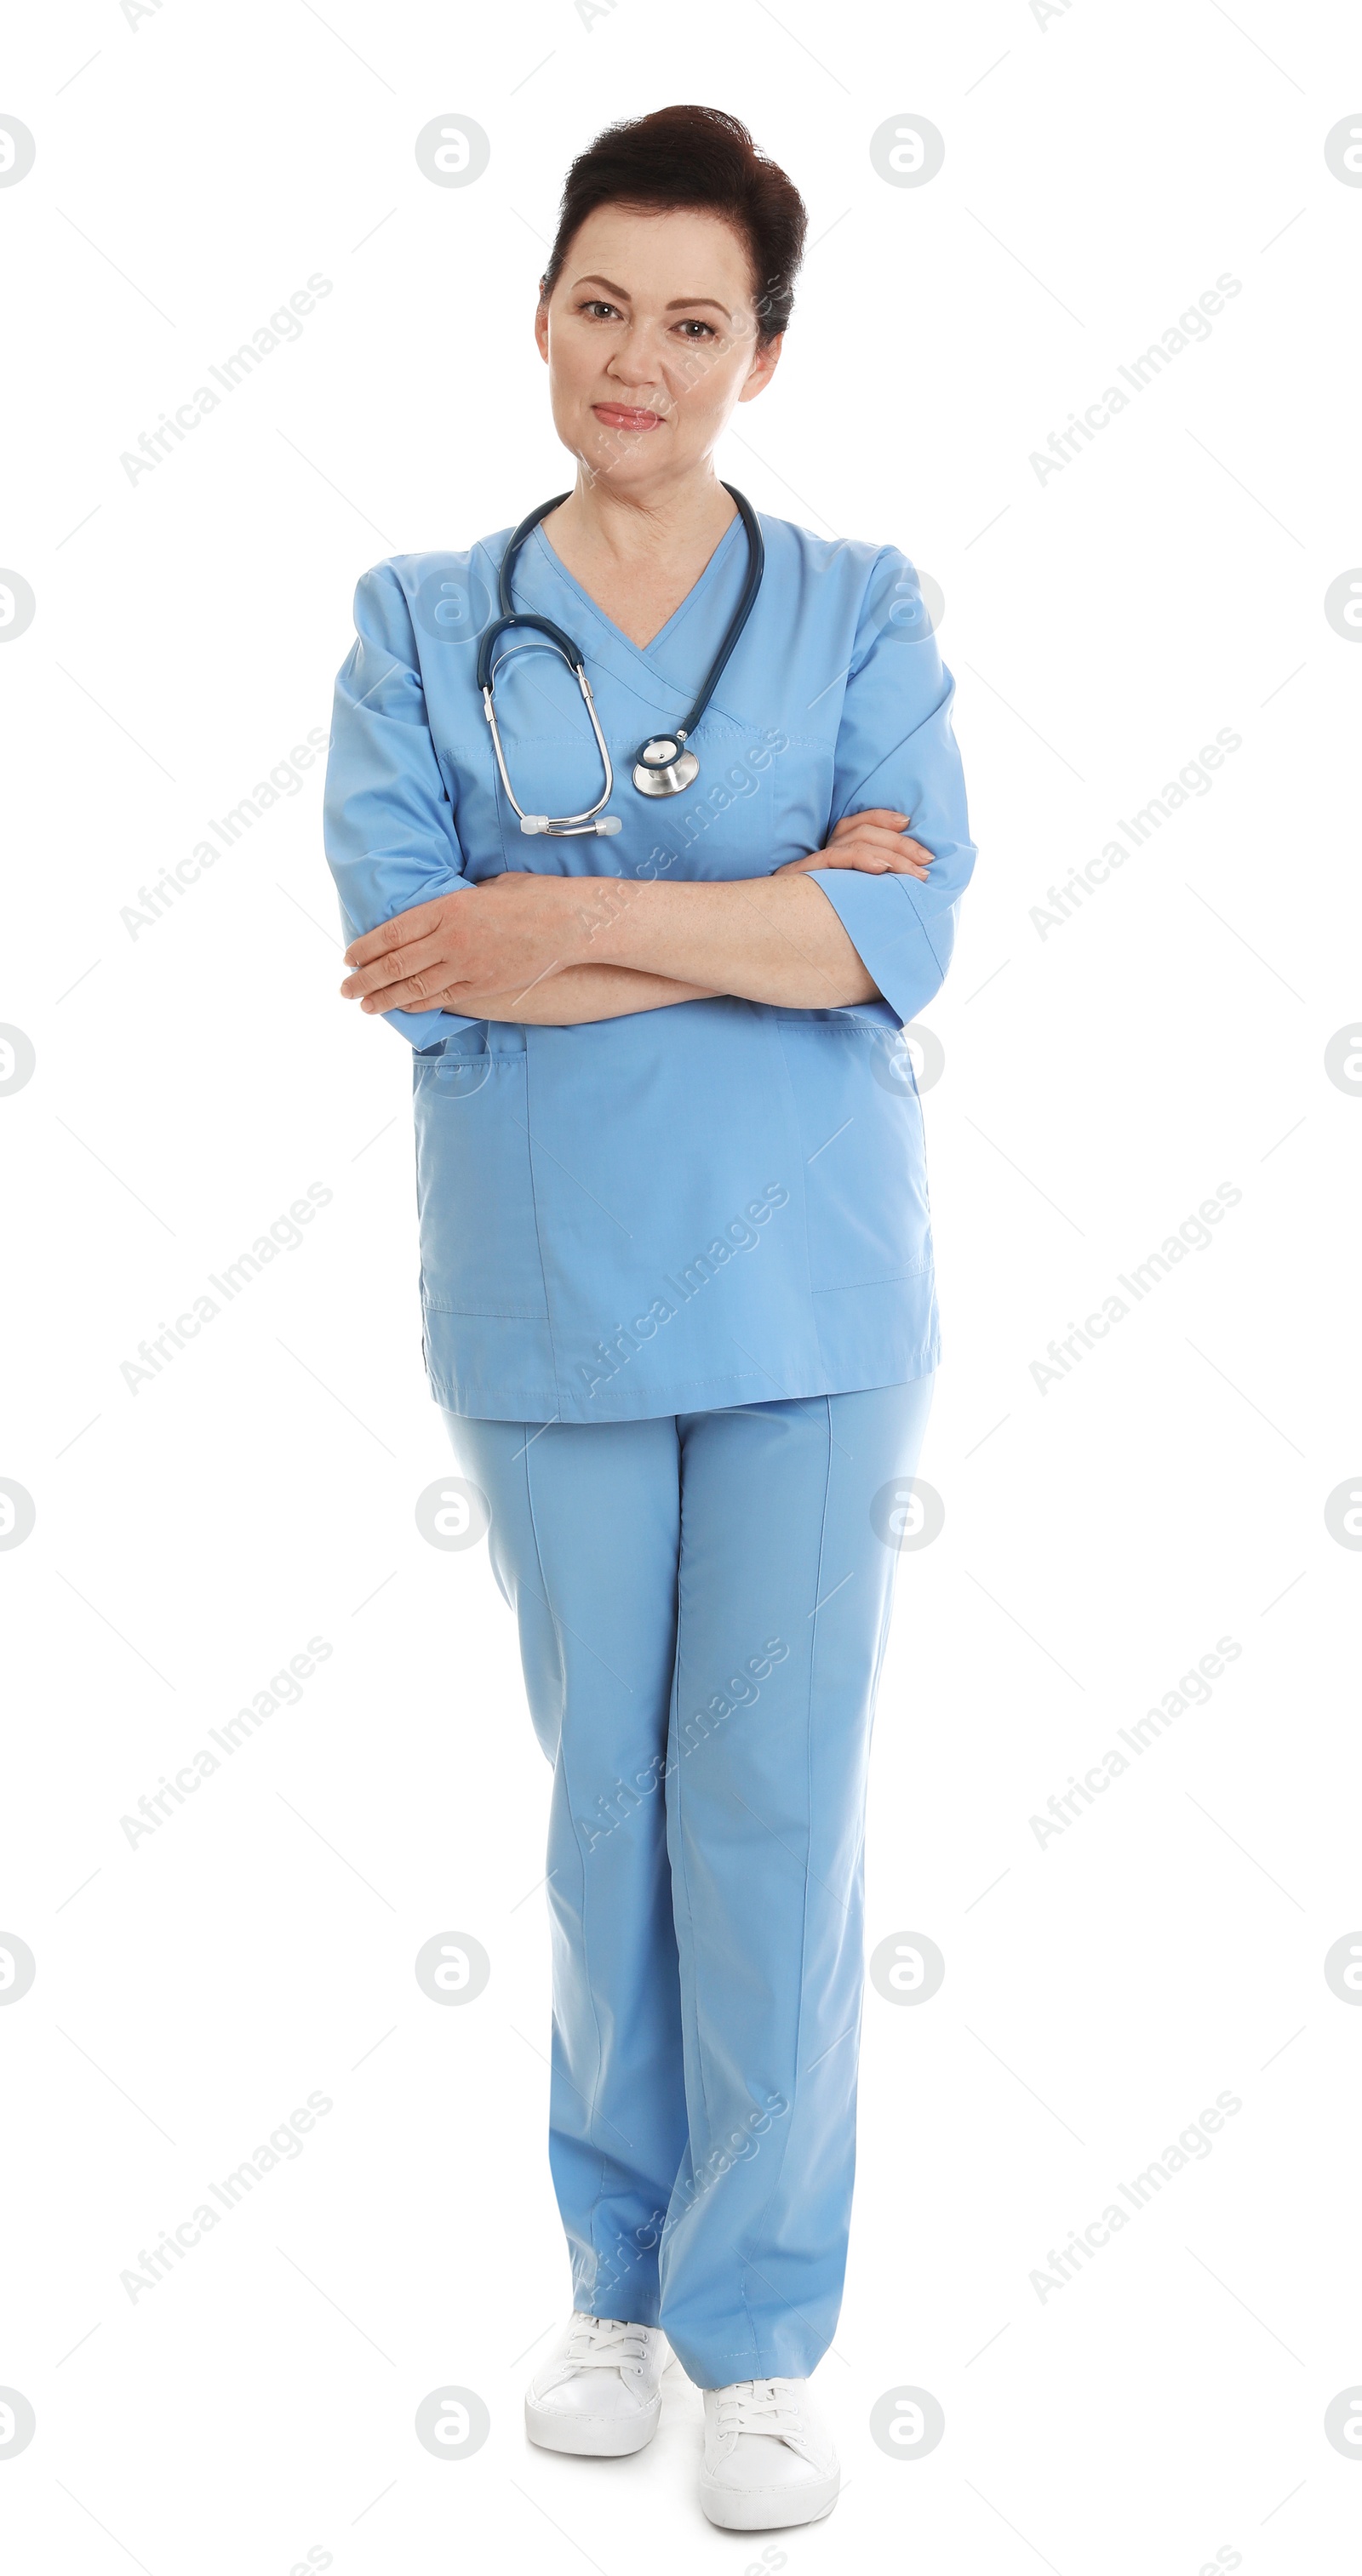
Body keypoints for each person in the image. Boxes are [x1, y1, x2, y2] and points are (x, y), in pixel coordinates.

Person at [323, 103, 975, 2533]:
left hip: (812, 1291)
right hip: (552, 1292)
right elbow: (415, 955)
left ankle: (764, 2327)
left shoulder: (864, 604)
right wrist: (764, 916)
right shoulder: (415, 617)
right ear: (541, 313)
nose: (639, 355)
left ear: (762, 359)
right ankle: (614, 2281)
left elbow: (894, 939)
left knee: (772, 1814)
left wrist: (561, 920)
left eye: (695, 319)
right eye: (602, 301)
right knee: (606, 1812)